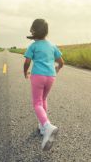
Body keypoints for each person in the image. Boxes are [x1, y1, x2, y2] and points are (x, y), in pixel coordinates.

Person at [23, 19, 64, 151]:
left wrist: (25, 72)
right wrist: (57, 69)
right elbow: (61, 62)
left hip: (38, 76)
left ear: (33, 31)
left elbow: (27, 61)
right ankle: (42, 126)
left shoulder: (33, 46)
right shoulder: (52, 45)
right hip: (51, 77)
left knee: (37, 103)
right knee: (44, 99)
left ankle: (47, 125)